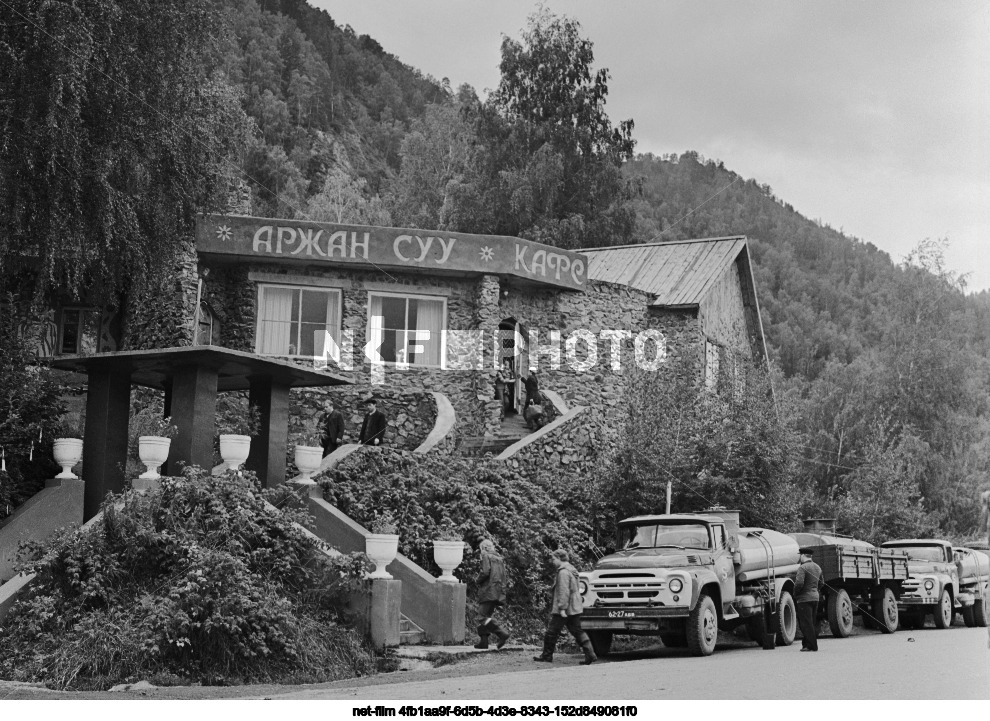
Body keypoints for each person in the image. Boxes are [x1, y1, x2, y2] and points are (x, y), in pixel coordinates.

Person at [533, 549, 596, 665]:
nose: (552, 561)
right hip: (575, 606)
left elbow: (563, 591)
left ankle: (546, 656)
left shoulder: (563, 572)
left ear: (559, 558)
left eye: (553, 559)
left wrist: (562, 608)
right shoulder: (572, 569)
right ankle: (590, 654)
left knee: (551, 632)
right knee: (577, 631)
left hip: (565, 608)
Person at [473, 539, 511, 650]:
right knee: (486, 616)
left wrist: (477, 580)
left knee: (481, 617)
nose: (481, 552)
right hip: (498, 590)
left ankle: (502, 633)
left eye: (481, 550)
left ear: (484, 548)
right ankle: (484, 642)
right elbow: (503, 576)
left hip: (488, 590)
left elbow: (485, 572)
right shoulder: (499, 558)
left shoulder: (486, 556)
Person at [795, 548, 824, 652]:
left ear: (803, 555)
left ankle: (812, 646)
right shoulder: (817, 567)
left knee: (806, 624)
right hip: (815, 598)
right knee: (811, 622)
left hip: (804, 599)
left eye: (800, 555)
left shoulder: (802, 568)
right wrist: (815, 590)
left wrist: (796, 593)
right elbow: (821, 583)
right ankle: (806, 644)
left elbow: (799, 583)